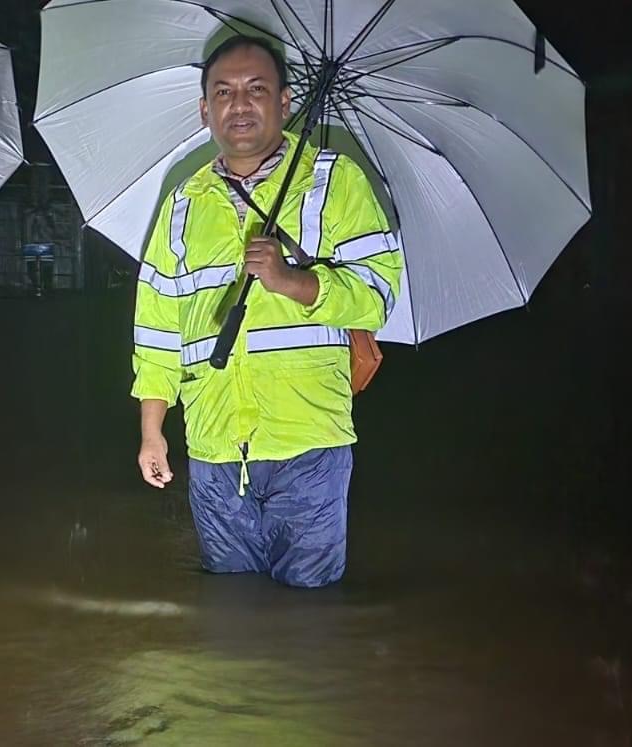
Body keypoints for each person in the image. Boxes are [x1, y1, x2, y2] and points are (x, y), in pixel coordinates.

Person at [130, 36, 402, 588]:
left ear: (284, 100)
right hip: (212, 446)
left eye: (257, 89)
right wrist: (153, 432)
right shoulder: (181, 204)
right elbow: (156, 328)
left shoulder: (335, 181)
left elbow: (377, 294)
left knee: (308, 617)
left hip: (309, 442)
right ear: (205, 109)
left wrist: (291, 281)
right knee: (232, 619)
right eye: (223, 92)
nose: (240, 104)